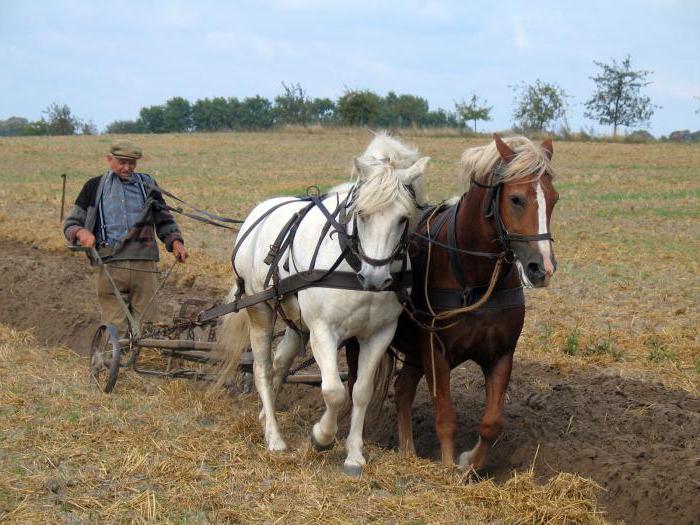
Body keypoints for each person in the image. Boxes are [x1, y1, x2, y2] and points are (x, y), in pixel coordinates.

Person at [63, 140, 187, 334]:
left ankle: (144, 361)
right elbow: (71, 224)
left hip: (144, 264)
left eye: (132, 163)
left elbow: (163, 218)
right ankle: (115, 361)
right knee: (115, 326)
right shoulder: (94, 187)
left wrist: (176, 241)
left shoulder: (148, 185)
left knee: (149, 326)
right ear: (109, 160)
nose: (127, 167)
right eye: (122, 162)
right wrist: (82, 233)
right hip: (109, 264)